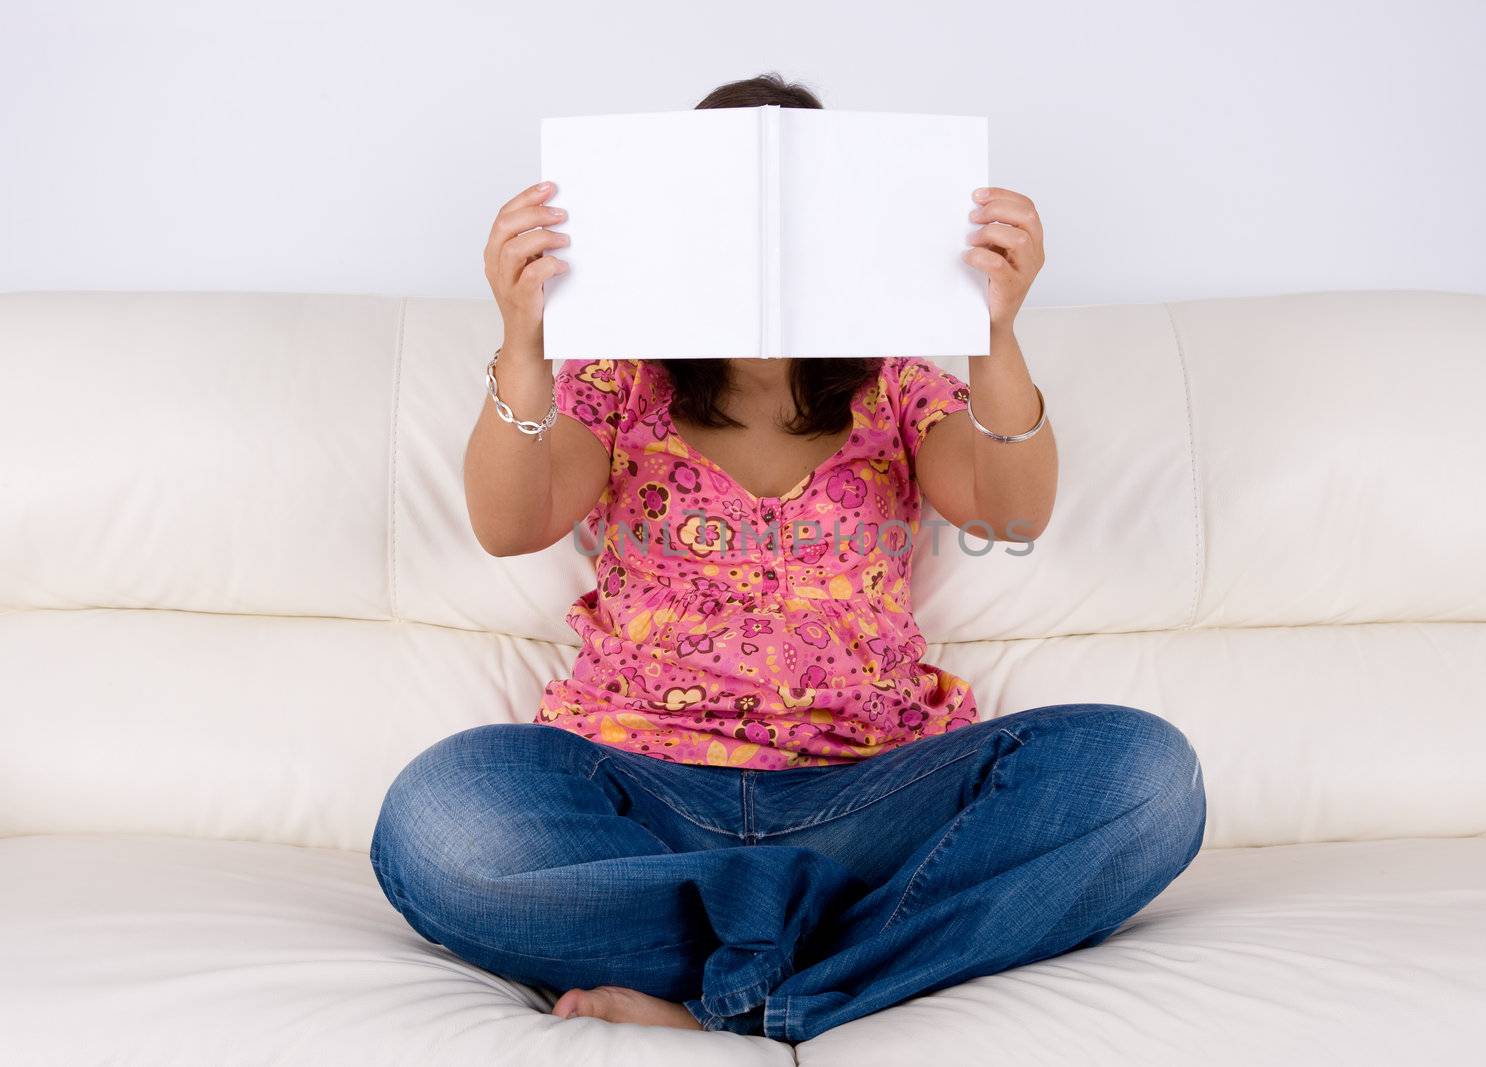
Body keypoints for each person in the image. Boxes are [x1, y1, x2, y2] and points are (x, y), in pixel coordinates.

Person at [369, 73, 1206, 1044]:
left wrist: (995, 329)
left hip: (870, 797)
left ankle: (750, 993)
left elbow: (1011, 510)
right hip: (644, 796)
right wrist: (525, 340)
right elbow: (510, 523)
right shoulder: (616, 377)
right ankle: (827, 950)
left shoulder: (897, 379)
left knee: (1145, 774)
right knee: (440, 813)